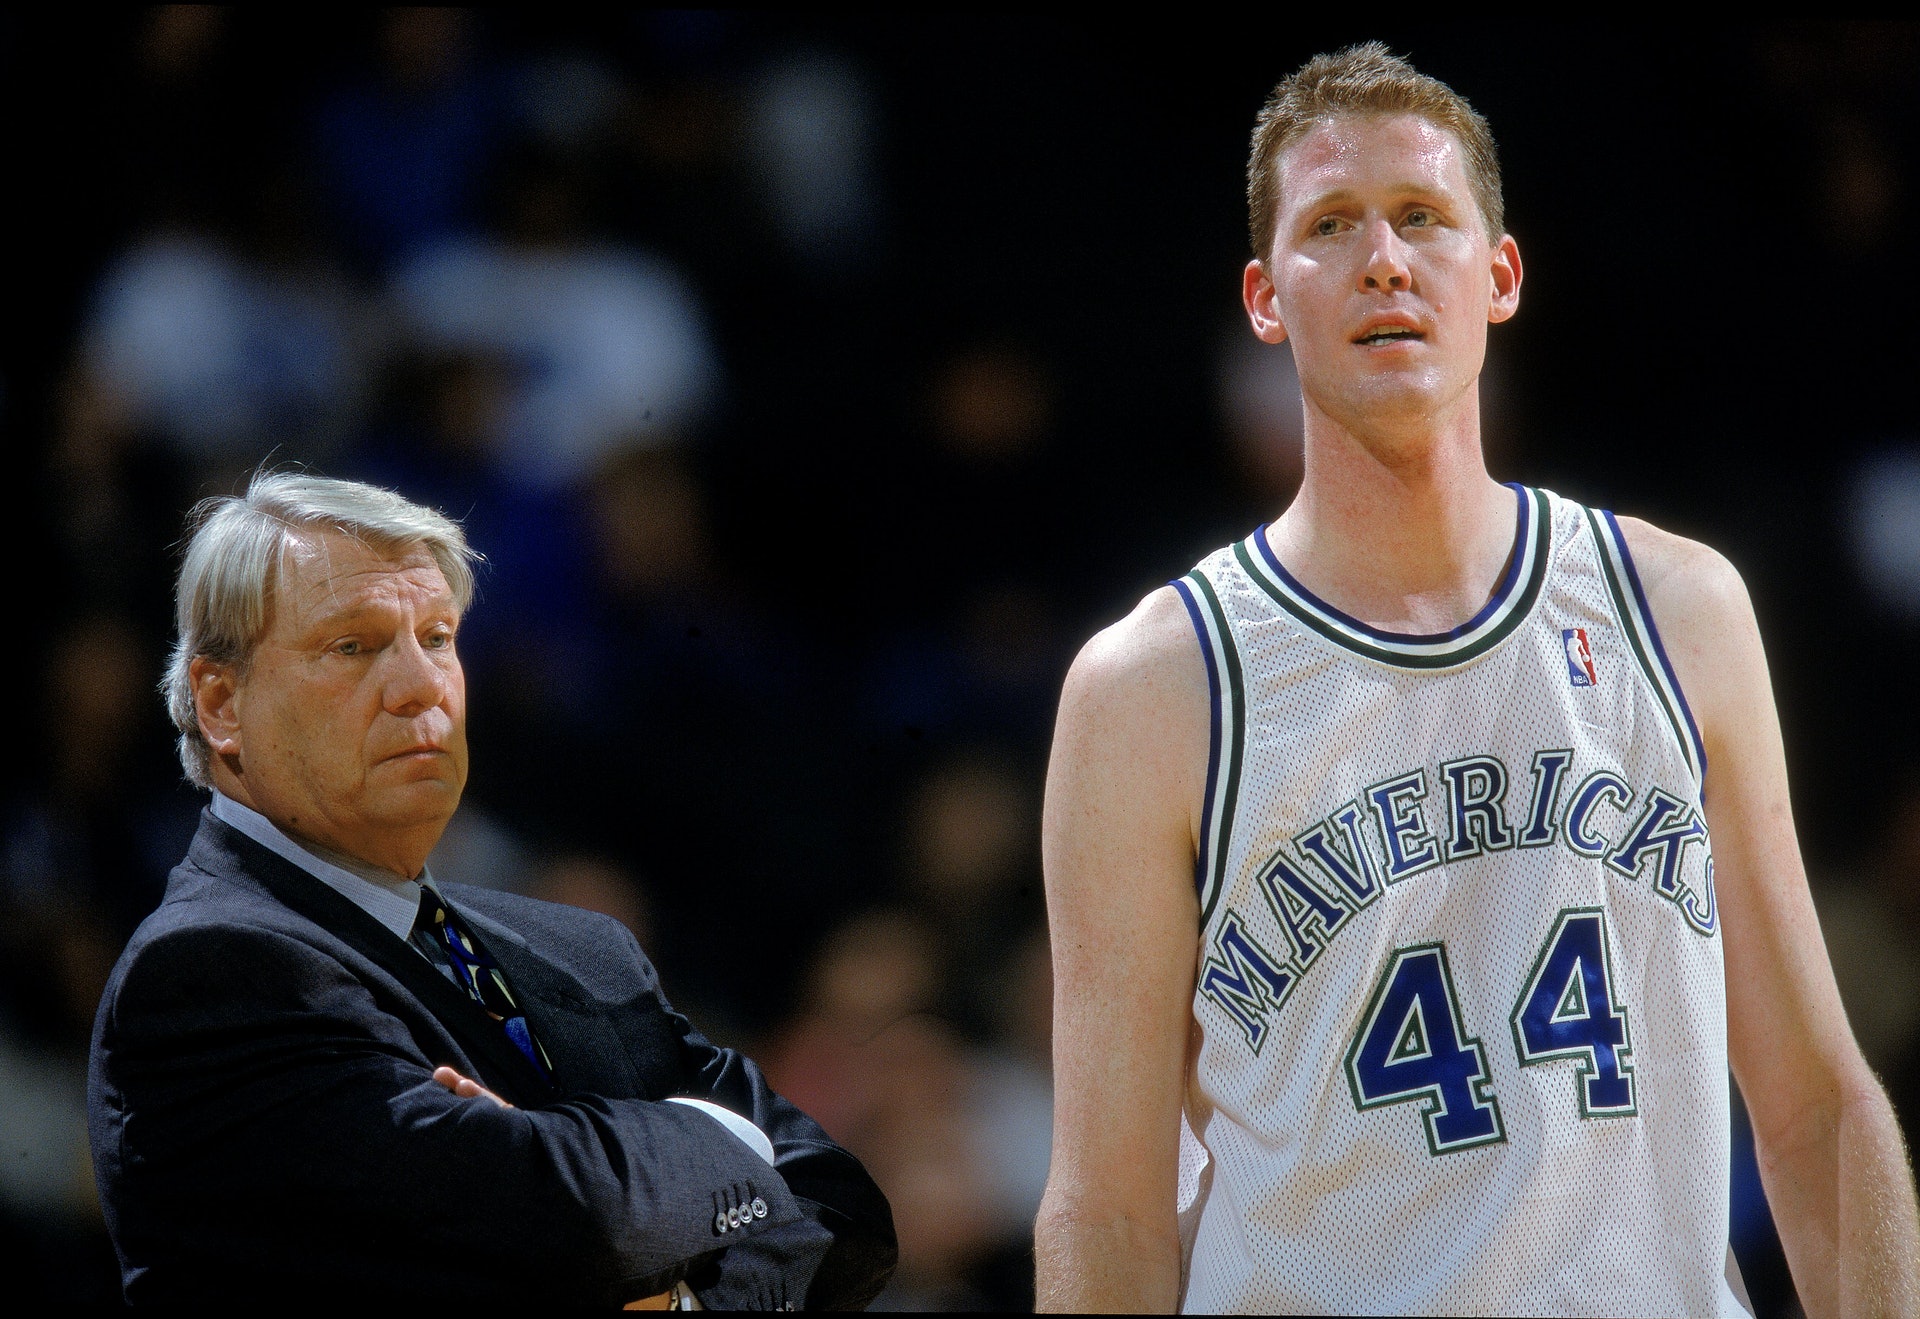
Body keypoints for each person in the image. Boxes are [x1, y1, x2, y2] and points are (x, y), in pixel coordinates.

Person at [1034, 44, 1920, 1316]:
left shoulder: (1679, 608)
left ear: (1499, 276)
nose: (1383, 258)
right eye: (1331, 225)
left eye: (1423, 218)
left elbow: (1817, 1101)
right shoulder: (1153, 686)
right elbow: (1107, 1206)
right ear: (1264, 297)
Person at [86, 472, 897, 1307]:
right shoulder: (206, 970)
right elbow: (564, 1218)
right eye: (353, 646)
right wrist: (720, 1134)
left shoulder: (588, 952)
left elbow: (850, 1211)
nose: (420, 686)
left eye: (437, 636)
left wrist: (685, 1298)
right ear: (221, 703)